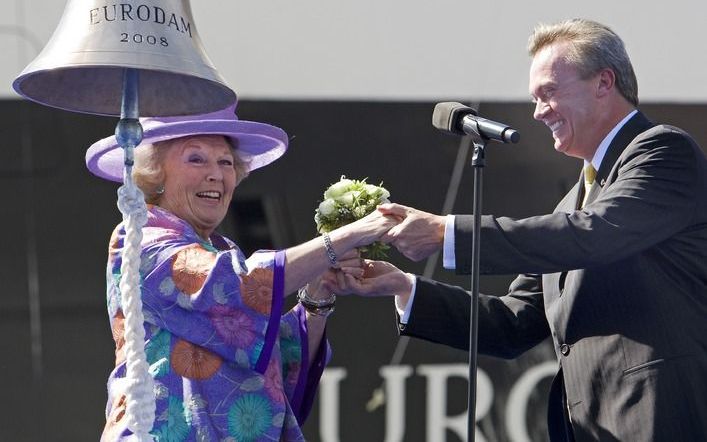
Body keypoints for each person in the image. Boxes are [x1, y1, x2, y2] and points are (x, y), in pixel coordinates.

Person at [337, 18, 707, 441]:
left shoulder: (661, 151)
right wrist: (404, 287)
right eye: (534, 97)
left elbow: (594, 234)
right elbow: (513, 323)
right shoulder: (573, 201)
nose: (537, 111)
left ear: (605, 82)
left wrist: (446, 232)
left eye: (549, 91)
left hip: (661, 419)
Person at [85, 104, 396, 441]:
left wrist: (317, 294)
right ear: (154, 172)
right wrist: (352, 234)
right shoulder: (140, 238)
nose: (216, 174)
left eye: (226, 162)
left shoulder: (224, 250)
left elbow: (274, 376)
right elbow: (233, 285)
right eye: (196, 159)